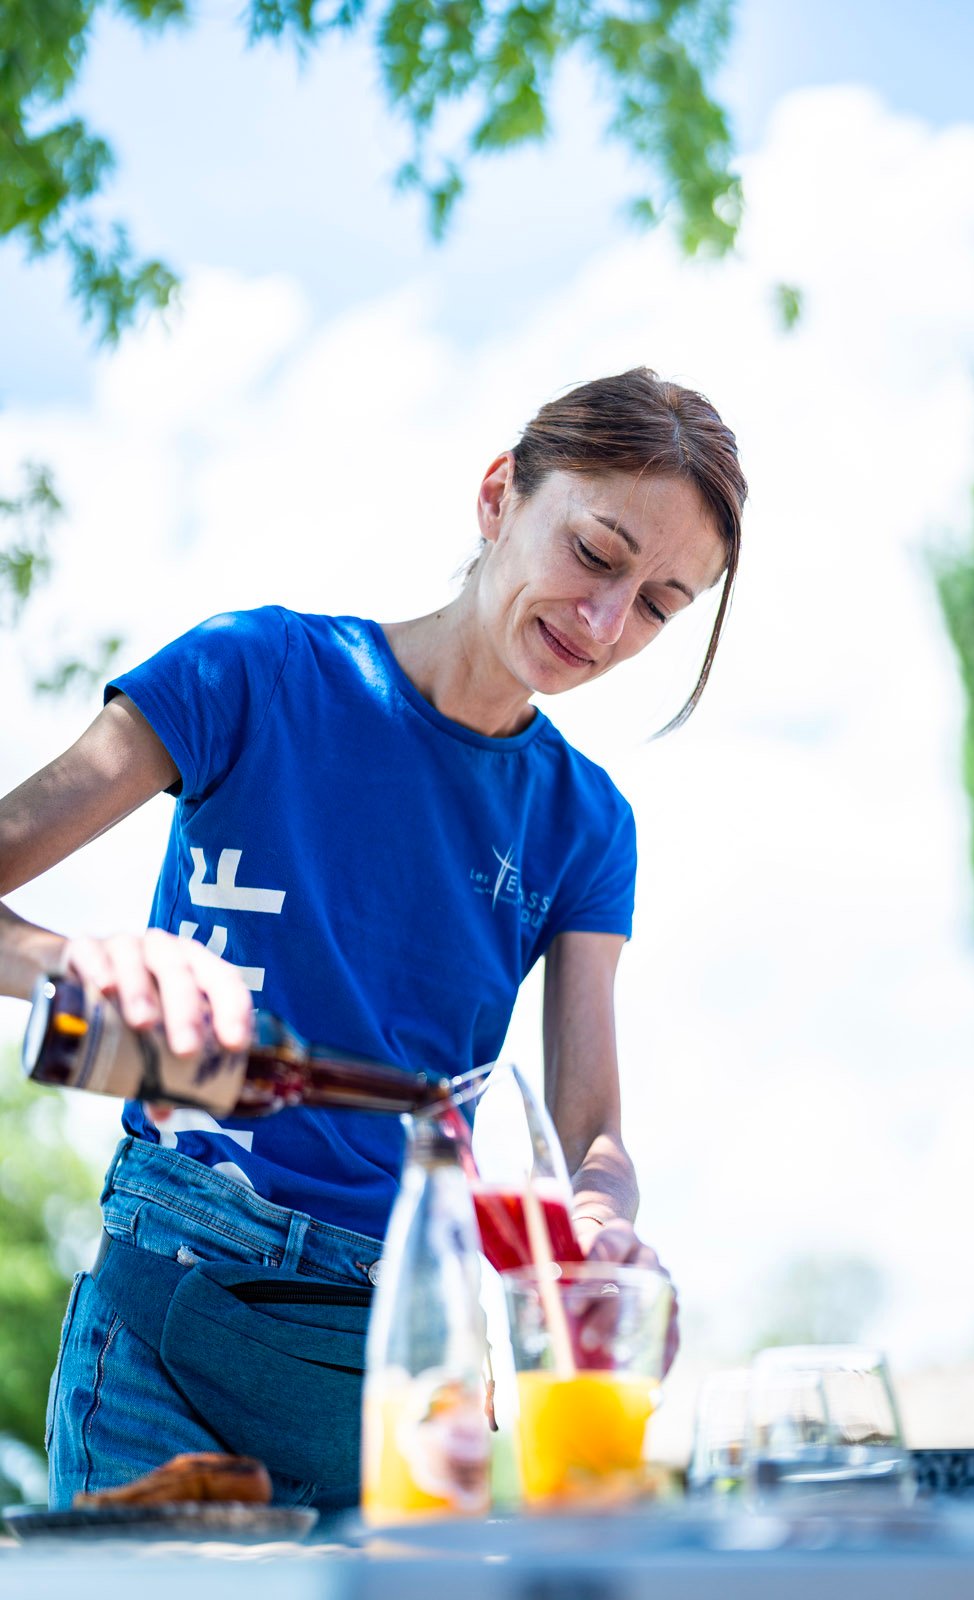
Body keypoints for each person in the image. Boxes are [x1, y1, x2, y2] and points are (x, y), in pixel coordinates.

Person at [0, 366, 747, 1510]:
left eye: (657, 604)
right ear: (497, 495)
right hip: (171, 1324)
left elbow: (589, 1127)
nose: (605, 623)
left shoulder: (585, 824)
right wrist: (70, 962)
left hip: (403, 1349)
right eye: (595, 553)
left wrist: (594, 1225)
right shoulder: (251, 673)